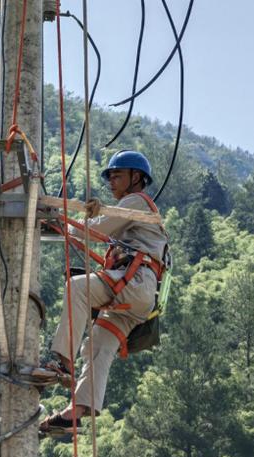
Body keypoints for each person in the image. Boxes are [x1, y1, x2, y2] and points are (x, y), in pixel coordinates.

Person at [35, 150, 169, 434]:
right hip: (141, 299)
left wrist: (66, 222)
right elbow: (99, 232)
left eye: (117, 176)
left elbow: (96, 229)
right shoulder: (138, 213)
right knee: (98, 346)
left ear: (137, 178)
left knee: (78, 287)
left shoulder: (137, 202)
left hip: (134, 284)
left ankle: (61, 361)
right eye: (110, 177)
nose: (111, 182)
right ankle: (75, 412)